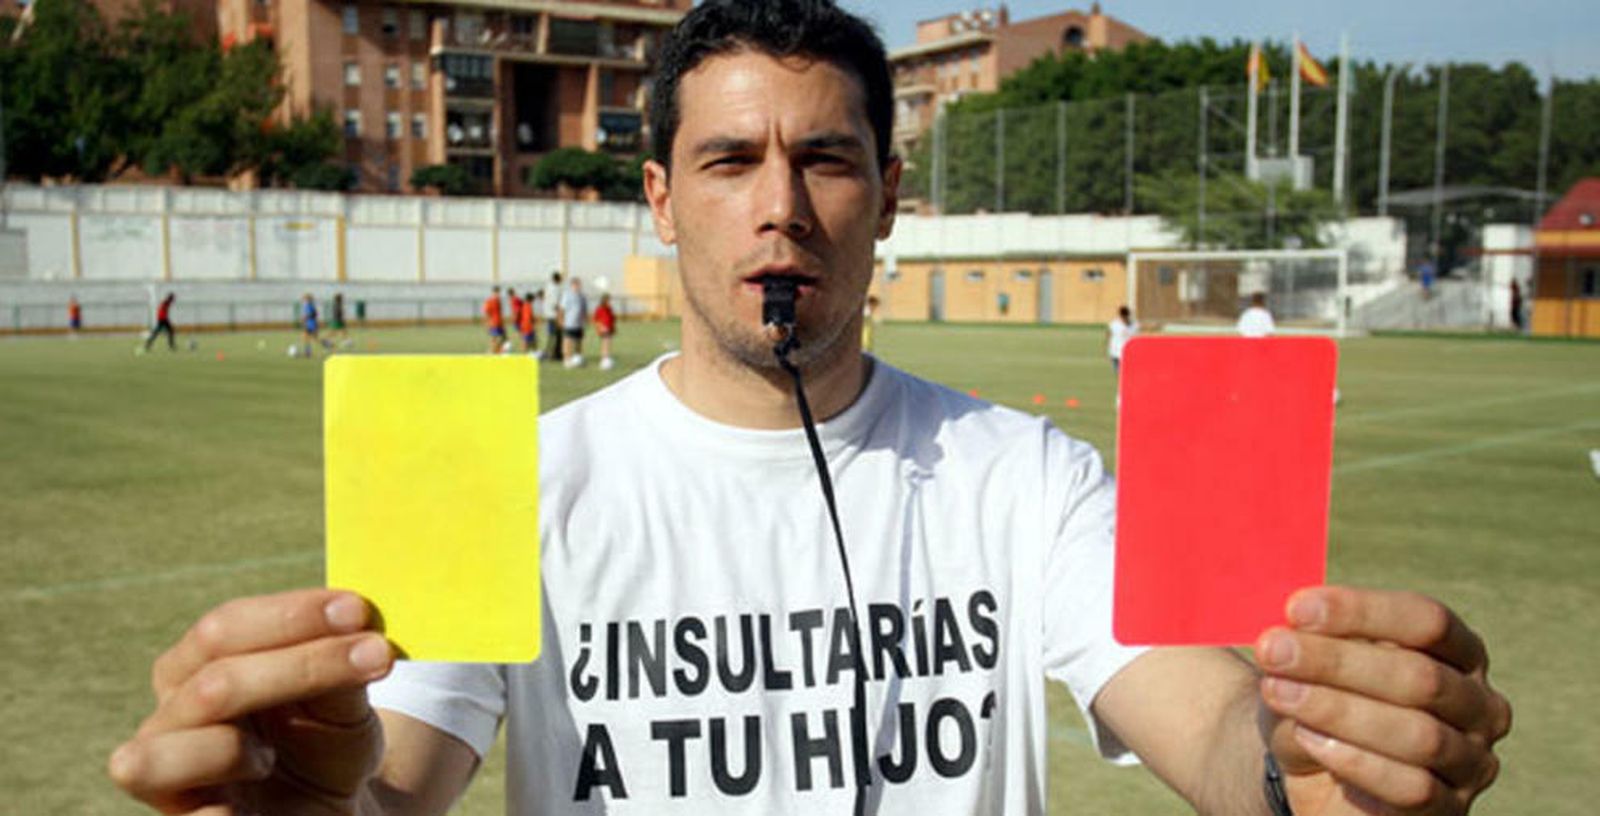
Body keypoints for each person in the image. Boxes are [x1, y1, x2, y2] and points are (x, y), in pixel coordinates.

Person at [108, 3, 1510, 815]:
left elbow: (1206, 722)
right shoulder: (519, 481)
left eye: (827, 159)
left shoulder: (1023, 473)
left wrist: (1307, 766)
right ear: (659, 200)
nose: (780, 208)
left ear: (889, 197)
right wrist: (311, 804)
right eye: (728, 161)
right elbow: (393, 781)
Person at [559, 275, 588, 368]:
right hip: (569, 323)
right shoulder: (567, 295)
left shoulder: (582, 296)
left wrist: (585, 319)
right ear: (572, 285)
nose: (578, 286)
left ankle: (577, 358)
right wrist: (561, 320)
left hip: (579, 324)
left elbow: (584, 310)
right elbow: (561, 309)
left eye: (579, 284)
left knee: (579, 341)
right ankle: (567, 359)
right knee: (568, 341)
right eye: (576, 284)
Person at [1106, 304, 1136, 374]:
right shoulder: (1114, 324)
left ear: (1128, 315)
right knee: (1120, 373)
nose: (1123, 318)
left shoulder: (1135, 325)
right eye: (1122, 316)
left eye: (1125, 316)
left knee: (1126, 373)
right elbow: (1108, 334)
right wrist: (1108, 348)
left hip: (1128, 353)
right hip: (1115, 352)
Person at [542, 271, 565, 362]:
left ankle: (552, 353)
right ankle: (555, 354)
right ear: (558, 279)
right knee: (557, 335)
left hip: (548, 314)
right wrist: (561, 316)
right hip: (554, 315)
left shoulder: (548, 287)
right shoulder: (555, 289)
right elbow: (555, 304)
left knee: (552, 335)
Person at [593, 292, 617, 370]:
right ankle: (604, 359)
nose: (610, 302)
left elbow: (612, 318)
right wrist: (600, 327)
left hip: (609, 328)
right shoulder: (600, 309)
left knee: (608, 343)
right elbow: (596, 319)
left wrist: (613, 328)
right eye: (608, 300)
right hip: (603, 329)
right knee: (605, 343)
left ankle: (607, 357)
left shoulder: (609, 309)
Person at [483, 286, 507, 354]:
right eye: (496, 292)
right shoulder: (489, 301)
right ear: (493, 292)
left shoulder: (498, 301)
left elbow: (500, 313)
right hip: (494, 323)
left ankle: (496, 351)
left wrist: (503, 323)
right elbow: (487, 313)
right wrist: (487, 323)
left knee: (503, 339)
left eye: (498, 292)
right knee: (495, 339)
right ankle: (492, 351)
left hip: (499, 323)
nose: (498, 294)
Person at [298, 293, 323, 358]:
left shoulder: (308, 306)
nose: (303, 300)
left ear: (308, 299)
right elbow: (315, 314)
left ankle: (328, 345)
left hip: (311, 325)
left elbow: (309, 315)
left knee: (314, 339)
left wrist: (303, 319)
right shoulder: (310, 305)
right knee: (306, 338)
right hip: (310, 324)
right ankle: (308, 352)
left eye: (304, 299)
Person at [520, 289, 541, 355]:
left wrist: (535, 319)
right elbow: (528, 318)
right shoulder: (528, 306)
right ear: (531, 299)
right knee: (526, 341)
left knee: (533, 341)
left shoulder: (525, 305)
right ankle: (524, 354)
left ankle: (535, 352)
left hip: (525, 325)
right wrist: (533, 326)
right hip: (527, 326)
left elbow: (529, 316)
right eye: (533, 299)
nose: (534, 301)